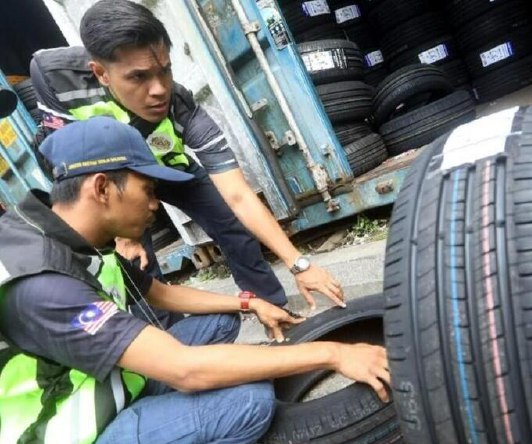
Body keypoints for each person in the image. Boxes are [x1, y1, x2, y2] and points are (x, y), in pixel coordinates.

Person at [0, 117, 390, 444]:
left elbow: (161, 294)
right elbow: (185, 370)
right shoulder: (44, 284)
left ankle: (154, 437)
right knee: (249, 404)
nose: (155, 205)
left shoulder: (75, 237)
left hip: (99, 391)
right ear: (101, 188)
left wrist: (247, 302)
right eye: (147, 191)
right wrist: (334, 352)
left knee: (218, 321)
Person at [29, 0, 345, 315]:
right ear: (101, 73)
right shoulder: (54, 76)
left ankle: (275, 313)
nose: (158, 90)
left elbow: (238, 195)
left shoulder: (181, 107)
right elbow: (67, 164)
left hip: (169, 167)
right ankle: (169, 340)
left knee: (233, 227)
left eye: (164, 70)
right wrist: (118, 233)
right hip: (110, 176)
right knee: (135, 258)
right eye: (138, 78)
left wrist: (299, 264)